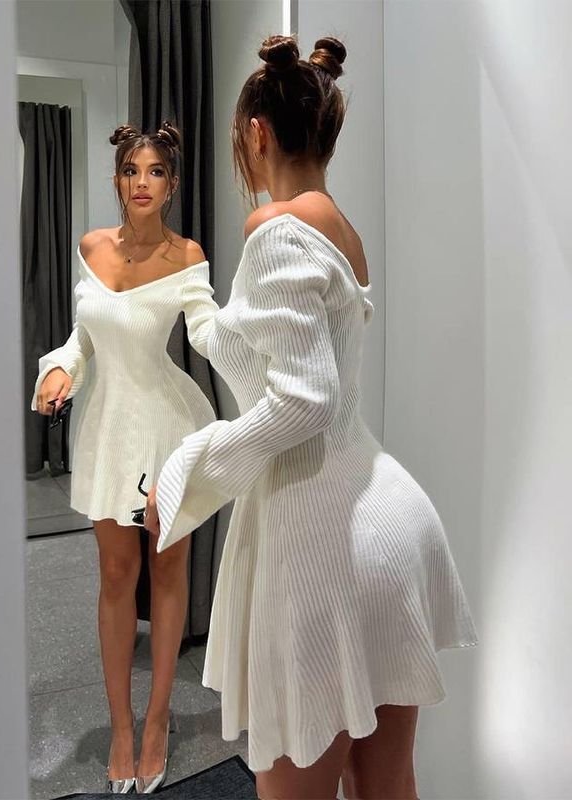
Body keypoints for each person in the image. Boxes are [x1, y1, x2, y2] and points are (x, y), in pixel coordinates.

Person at [145, 36, 478, 800]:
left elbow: (302, 398)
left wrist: (189, 467)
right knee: (386, 785)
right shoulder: (340, 233)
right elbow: (268, 361)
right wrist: (194, 297)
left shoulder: (275, 227)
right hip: (388, 522)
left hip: (322, 544)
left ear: (257, 133)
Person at [32, 122, 218, 794]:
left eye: (156, 172)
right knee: (115, 574)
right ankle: (120, 725)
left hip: (166, 430)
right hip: (107, 430)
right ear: (117, 180)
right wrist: (59, 368)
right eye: (132, 171)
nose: (143, 182)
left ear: (172, 186)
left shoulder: (187, 255)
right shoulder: (91, 247)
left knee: (167, 568)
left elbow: (209, 334)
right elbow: (83, 338)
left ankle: (159, 718)